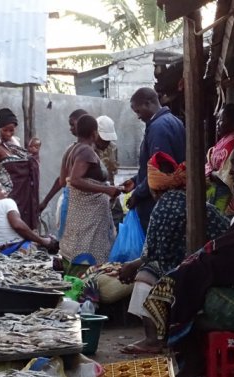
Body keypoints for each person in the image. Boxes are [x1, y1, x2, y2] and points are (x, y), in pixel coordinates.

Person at [142, 140, 234, 377]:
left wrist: (206, 257)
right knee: (185, 276)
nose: (231, 171)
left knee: (185, 283)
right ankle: (189, 360)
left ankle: (191, 365)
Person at [118, 151, 230, 354]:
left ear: (154, 190)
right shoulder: (188, 199)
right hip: (216, 263)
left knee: (144, 275)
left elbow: (154, 254)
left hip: (197, 269)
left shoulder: (163, 207)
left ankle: (153, 340)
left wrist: (132, 267)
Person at [59, 115, 120, 270]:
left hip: (79, 216)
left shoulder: (71, 150)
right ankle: (83, 288)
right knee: (86, 257)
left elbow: (62, 181)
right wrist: (106, 190)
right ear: (94, 133)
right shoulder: (86, 151)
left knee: (75, 250)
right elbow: (75, 180)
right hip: (87, 220)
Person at [122, 88, 186, 233]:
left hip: (158, 202)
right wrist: (135, 181)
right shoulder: (173, 121)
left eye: (138, 111)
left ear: (148, 103)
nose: (138, 116)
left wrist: (137, 194)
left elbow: (160, 172)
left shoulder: (159, 127)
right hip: (172, 199)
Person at [0, 108, 41, 229]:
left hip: (25, 195)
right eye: (4, 130)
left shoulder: (16, 143)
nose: (8, 133)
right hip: (8, 196)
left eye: (11, 130)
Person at [39, 109, 88, 237]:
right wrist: (45, 201)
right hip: (77, 201)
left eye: (73, 124)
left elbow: (63, 180)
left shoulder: (84, 149)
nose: (70, 129)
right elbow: (62, 180)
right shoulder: (74, 149)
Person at [0, 179, 58, 255]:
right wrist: (43, 241)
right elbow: (17, 225)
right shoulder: (7, 202)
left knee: (36, 236)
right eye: (0, 189)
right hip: (17, 251)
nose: (5, 191)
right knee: (50, 241)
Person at [206, 103, 234, 215]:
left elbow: (227, 177)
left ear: (233, 122)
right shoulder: (224, 140)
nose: (217, 123)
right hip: (215, 191)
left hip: (225, 195)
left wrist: (211, 174)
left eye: (221, 120)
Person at [95, 115, 123, 226]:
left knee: (117, 217)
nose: (106, 142)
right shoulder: (88, 149)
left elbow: (113, 169)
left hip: (110, 190)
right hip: (95, 192)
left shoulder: (113, 147)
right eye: (103, 139)